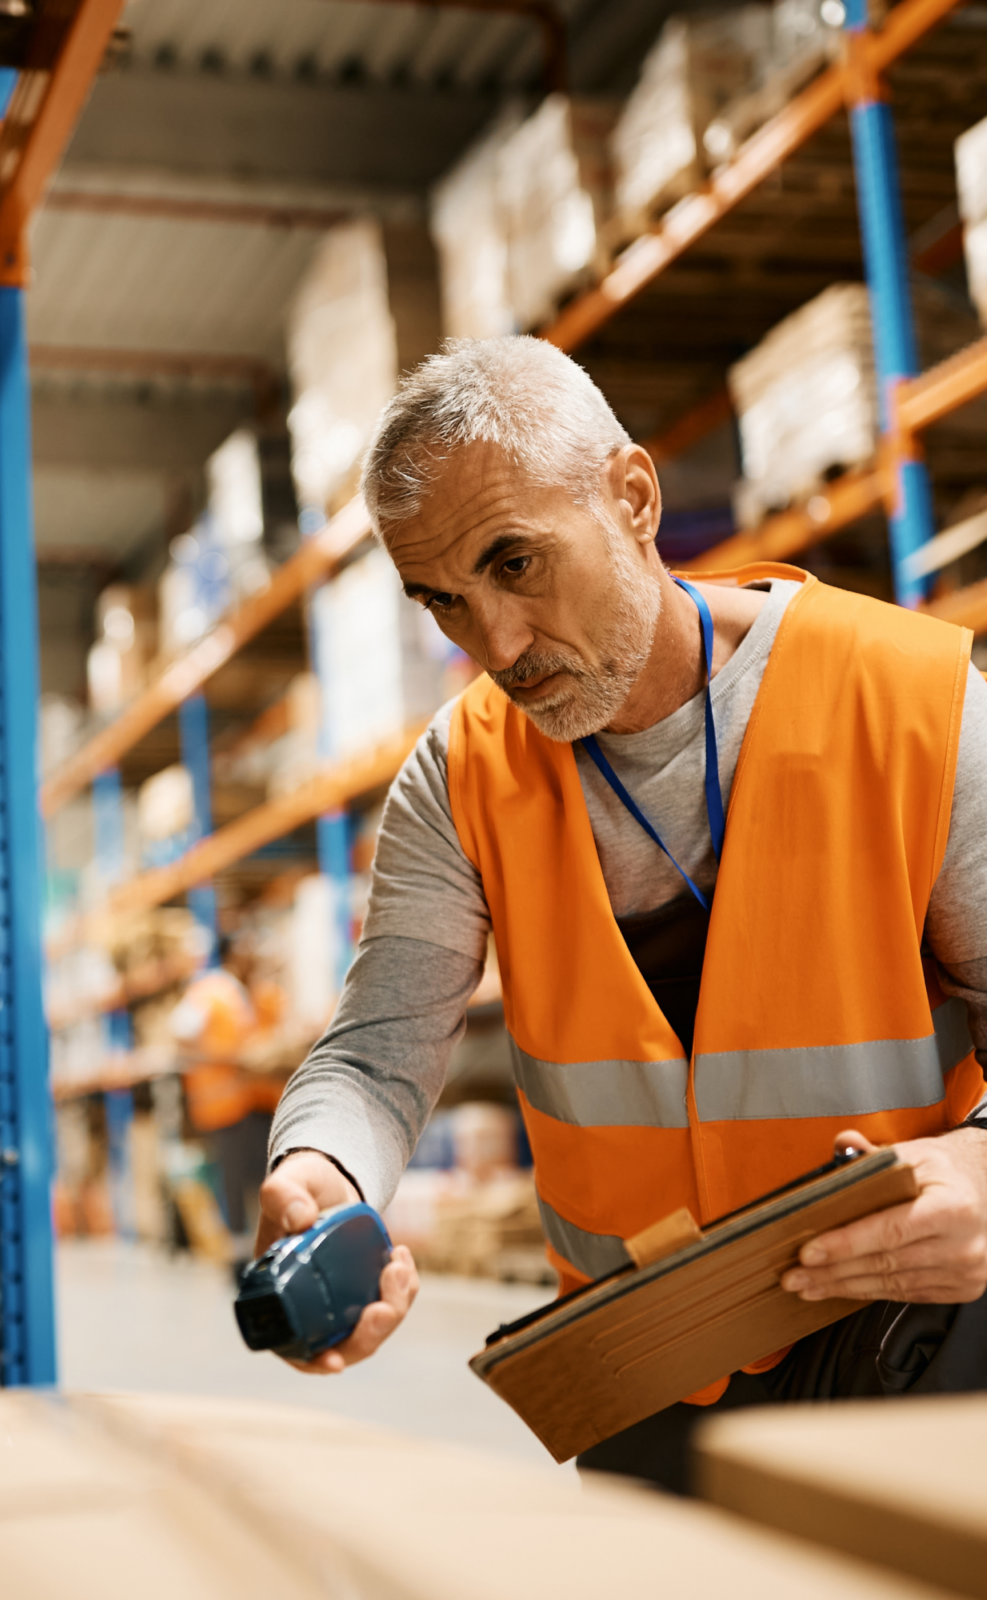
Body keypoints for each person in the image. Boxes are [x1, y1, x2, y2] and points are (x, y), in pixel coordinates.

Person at [259, 336, 987, 1493]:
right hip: (644, 1367)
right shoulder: (460, 778)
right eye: (444, 601)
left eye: (515, 564)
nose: (493, 646)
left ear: (632, 496)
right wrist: (322, 1171)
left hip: (910, 1320)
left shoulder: (911, 702)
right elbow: (377, 1046)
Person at [170, 938, 284, 1250]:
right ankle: (239, 1255)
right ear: (234, 953)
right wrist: (223, 1059)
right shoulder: (211, 991)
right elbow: (181, 1034)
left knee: (264, 1179)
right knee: (235, 1182)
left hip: (259, 1102)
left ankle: (266, 1248)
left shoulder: (259, 992)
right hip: (226, 1105)